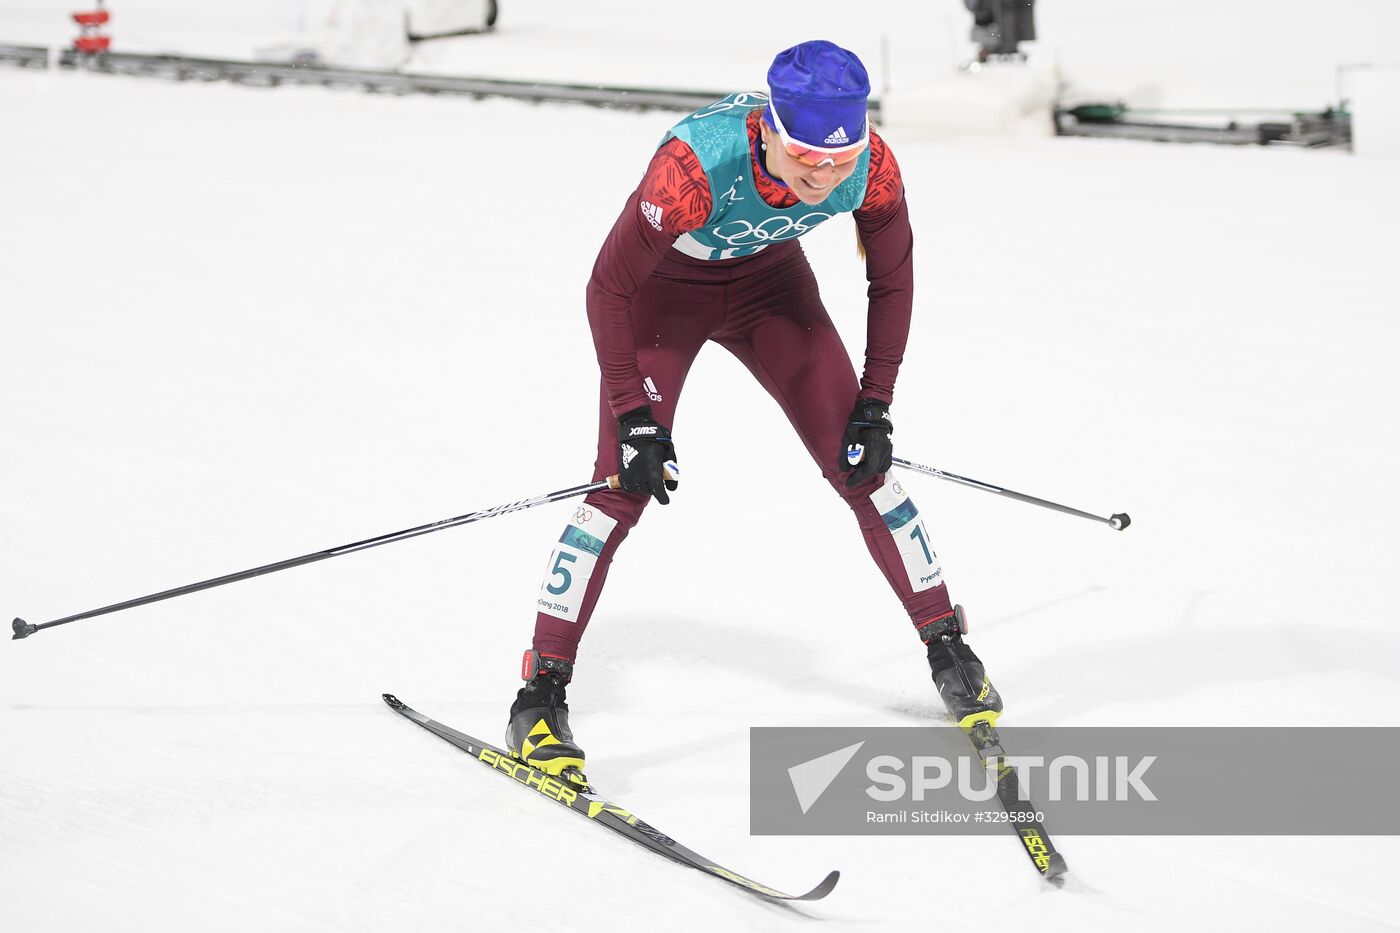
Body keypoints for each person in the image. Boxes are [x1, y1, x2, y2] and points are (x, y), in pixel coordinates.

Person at [506, 40, 1002, 785]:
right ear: (769, 128)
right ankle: (539, 695)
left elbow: (893, 282)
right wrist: (633, 416)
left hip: (773, 291)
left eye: (839, 161)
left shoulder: (872, 166)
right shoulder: (693, 168)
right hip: (662, 297)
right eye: (805, 157)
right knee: (620, 486)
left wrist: (876, 401)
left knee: (861, 466)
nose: (823, 177)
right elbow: (607, 288)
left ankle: (948, 647)